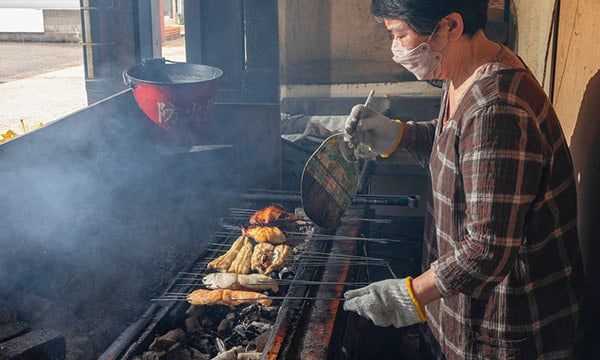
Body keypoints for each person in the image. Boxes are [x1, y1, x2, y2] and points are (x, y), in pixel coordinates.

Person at [341, 0, 585, 359]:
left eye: (401, 34)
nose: (396, 49)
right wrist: (400, 135)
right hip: (467, 311)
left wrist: (409, 295)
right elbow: (461, 147)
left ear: (449, 26)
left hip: (504, 326)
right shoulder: (466, 72)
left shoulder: (497, 108)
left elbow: (486, 250)